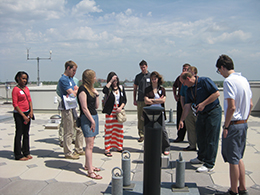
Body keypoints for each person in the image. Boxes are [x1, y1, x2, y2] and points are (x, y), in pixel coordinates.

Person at [216, 55, 253, 195]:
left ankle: (233, 190)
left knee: (232, 160)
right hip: (243, 122)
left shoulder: (229, 82)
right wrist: (245, 119)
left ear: (222, 68)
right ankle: (242, 188)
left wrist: (226, 126)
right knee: (238, 157)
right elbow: (250, 104)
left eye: (219, 71)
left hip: (234, 124)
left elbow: (231, 107)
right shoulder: (243, 80)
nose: (220, 73)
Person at [179, 71, 222, 172]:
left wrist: (203, 104)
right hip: (201, 114)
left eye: (183, 82)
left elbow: (216, 93)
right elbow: (187, 106)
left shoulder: (204, 81)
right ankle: (201, 157)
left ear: (188, 79)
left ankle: (209, 164)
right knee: (200, 136)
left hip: (213, 112)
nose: (183, 85)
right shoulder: (189, 90)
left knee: (211, 138)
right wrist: (182, 120)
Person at [77, 69, 102, 180]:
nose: (95, 78)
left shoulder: (91, 89)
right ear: (89, 78)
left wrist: (97, 95)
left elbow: (96, 106)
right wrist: (92, 121)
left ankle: (88, 165)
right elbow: (84, 108)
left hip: (94, 116)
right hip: (87, 118)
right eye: (94, 76)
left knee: (91, 142)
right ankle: (90, 171)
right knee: (89, 145)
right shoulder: (82, 89)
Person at [58, 60, 84, 159]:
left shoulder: (70, 79)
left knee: (78, 127)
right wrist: (74, 91)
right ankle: (68, 152)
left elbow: (76, 89)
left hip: (73, 105)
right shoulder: (63, 79)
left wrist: (74, 91)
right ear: (68, 68)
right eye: (73, 70)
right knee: (68, 130)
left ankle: (78, 148)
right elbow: (73, 93)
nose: (74, 73)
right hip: (66, 106)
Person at [144, 71, 170, 155]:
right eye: (152, 79)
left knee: (162, 130)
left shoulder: (162, 89)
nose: (153, 80)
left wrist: (152, 100)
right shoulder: (147, 89)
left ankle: (166, 147)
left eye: (155, 78)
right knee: (149, 129)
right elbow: (146, 101)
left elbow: (163, 100)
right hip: (149, 112)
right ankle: (150, 147)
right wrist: (156, 101)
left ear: (158, 79)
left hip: (160, 112)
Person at [102, 72, 127, 157]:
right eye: (113, 80)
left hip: (118, 111)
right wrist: (110, 82)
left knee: (119, 130)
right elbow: (104, 90)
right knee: (109, 130)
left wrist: (121, 107)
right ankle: (107, 148)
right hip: (110, 112)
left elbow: (124, 100)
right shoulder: (108, 89)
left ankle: (119, 146)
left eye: (115, 80)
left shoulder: (121, 88)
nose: (114, 82)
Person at [12, 71, 34, 161]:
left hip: (27, 113)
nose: (24, 80)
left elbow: (29, 100)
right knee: (19, 133)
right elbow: (15, 104)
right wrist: (22, 115)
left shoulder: (26, 89)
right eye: (23, 78)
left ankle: (26, 151)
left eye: (26, 79)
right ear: (18, 78)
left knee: (26, 133)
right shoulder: (16, 90)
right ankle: (18, 154)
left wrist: (31, 111)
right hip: (19, 114)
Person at [179, 66, 198, 151]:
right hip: (188, 108)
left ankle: (200, 146)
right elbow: (182, 96)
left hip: (198, 109)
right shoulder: (185, 86)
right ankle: (192, 145)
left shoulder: (201, 83)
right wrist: (183, 107)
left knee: (199, 127)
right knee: (190, 128)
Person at [56, 76, 79, 147]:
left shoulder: (75, 80)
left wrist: (73, 93)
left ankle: (74, 138)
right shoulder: (63, 80)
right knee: (64, 123)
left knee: (75, 122)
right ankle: (62, 139)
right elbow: (58, 91)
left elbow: (76, 91)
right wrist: (67, 96)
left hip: (74, 103)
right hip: (66, 103)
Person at [172, 63, 190, 142]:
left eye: (186, 69)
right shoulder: (179, 78)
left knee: (190, 120)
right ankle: (180, 136)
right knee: (180, 118)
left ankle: (192, 139)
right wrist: (175, 96)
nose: (184, 70)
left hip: (189, 102)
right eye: (183, 68)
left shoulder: (191, 78)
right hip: (180, 100)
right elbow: (174, 86)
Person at [133, 60, 151, 142]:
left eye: (144, 67)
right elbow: (135, 88)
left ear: (146, 66)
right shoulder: (138, 77)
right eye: (141, 68)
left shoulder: (151, 76)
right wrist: (134, 99)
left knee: (149, 117)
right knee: (141, 118)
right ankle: (141, 134)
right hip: (140, 100)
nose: (142, 69)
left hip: (149, 100)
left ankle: (149, 133)